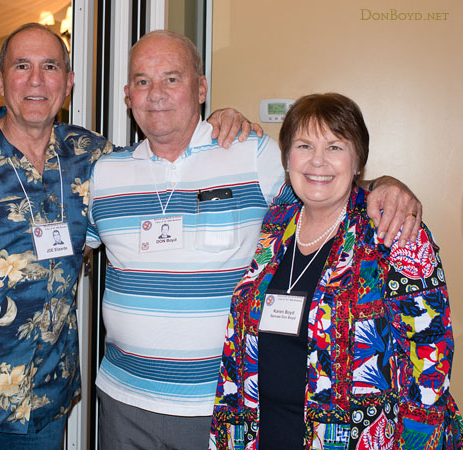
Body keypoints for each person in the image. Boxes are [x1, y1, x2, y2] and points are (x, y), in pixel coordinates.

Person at [0, 23, 258, 450]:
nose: (35, 80)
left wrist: (216, 125)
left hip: (46, 402)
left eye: (50, 67)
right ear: (1, 79)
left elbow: (163, 152)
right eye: (22, 66)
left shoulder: (93, 159)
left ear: (67, 84)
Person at [86, 31, 421, 449]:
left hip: (223, 406)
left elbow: (322, 188)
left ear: (202, 87)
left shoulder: (250, 154)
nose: (156, 94)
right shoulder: (104, 175)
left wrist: (385, 187)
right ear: (127, 95)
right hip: (124, 400)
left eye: (172, 78)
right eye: (142, 81)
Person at [209, 93, 463, 449]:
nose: (317, 162)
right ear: (286, 158)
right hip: (261, 432)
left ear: (358, 160)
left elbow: (430, 359)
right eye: (303, 145)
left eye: (335, 147)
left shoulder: (394, 233)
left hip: (357, 439)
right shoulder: (275, 224)